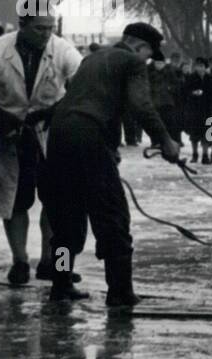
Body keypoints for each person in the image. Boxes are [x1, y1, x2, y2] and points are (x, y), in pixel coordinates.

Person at [42, 22, 179, 307]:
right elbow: (140, 105)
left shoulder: (93, 59)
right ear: (139, 46)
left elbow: (80, 100)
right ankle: (120, 292)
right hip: (88, 137)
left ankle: (61, 284)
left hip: (60, 136)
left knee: (67, 219)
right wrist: (165, 140)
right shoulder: (131, 62)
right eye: (149, 54)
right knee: (112, 216)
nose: (148, 61)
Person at [0, 9, 84, 285]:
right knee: (14, 201)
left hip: (50, 133)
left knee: (57, 202)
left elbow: (84, 82)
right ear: (22, 26)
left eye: (50, 28)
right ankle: (20, 261)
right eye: (40, 28)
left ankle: (53, 263)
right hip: (10, 133)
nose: (47, 34)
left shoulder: (62, 49)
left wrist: (57, 111)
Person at [182, 57, 212, 163]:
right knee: (194, 134)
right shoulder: (191, 78)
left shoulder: (210, 78)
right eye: (198, 66)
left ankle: (205, 155)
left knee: (208, 134)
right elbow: (185, 92)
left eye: (202, 66)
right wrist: (193, 93)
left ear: (205, 67)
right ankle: (195, 154)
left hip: (208, 110)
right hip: (194, 110)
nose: (200, 68)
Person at [148, 55, 179, 146]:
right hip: (154, 101)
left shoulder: (170, 72)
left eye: (161, 63)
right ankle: (155, 141)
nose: (159, 65)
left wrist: (170, 88)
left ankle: (168, 141)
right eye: (157, 63)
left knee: (168, 123)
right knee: (154, 123)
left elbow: (177, 85)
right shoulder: (150, 72)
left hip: (167, 102)